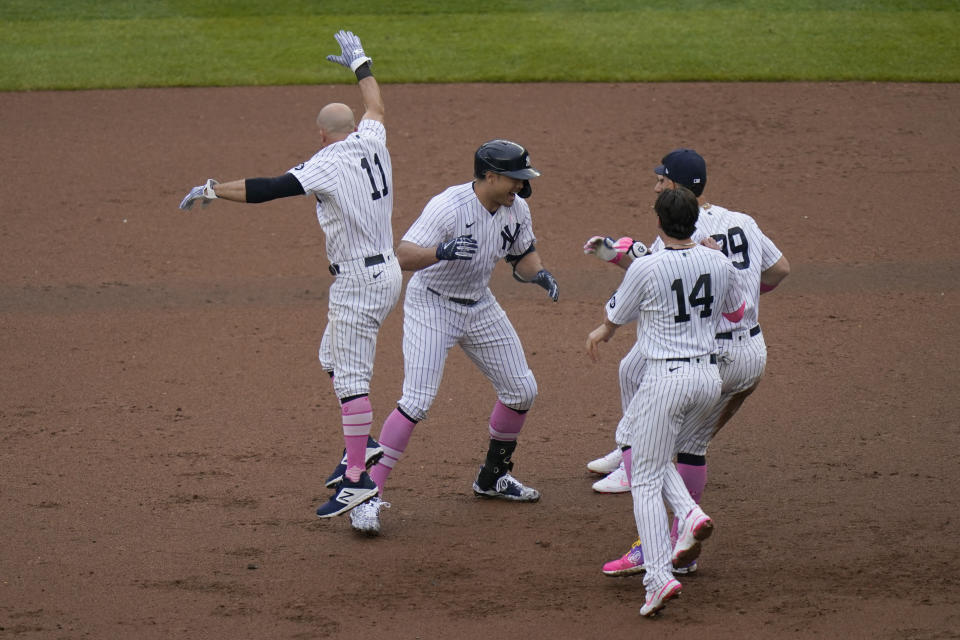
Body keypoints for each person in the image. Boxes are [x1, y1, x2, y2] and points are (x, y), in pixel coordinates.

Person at [178, 30, 402, 521]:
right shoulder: (373, 138)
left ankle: (358, 479)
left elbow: (270, 188)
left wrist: (215, 190)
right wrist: (361, 62)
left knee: (350, 379)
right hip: (387, 274)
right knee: (331, 357)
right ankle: (360, 444)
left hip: (358, 283)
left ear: (322, 134)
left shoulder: (325, 163)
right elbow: (377, 106)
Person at [584, 148, 790, 576]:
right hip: (751, 353)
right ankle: (678, 536)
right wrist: (742, 296)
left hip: (710, 355)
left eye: (662, 180)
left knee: (659, 448)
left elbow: (656, 276)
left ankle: (657, 534)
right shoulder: (743, 221)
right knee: (685, 438)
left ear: (677, 189)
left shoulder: (685, 229)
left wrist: (616, 255)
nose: (656, 185)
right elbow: (779, 270)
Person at [342, 139, 559, 535]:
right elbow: (404, 255)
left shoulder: (516, 209)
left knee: (521, 390)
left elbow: (523, 257)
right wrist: (442, 251)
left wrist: (539, 274)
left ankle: (493, 477)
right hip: (433, 305)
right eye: (514, 179)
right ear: (490, 176)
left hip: (480, 303)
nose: (521, 187)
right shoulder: (449, 206)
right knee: (417, 400)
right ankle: (364, 494)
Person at [586, 185, 748, 617]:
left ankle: (657, 577)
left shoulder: (647, 266)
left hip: (665, 381)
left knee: (644, 479)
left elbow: (616, 315)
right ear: (695, 222)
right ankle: (691, 515)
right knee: (640, 450)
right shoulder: (719, 261)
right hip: (708, 378)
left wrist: (602, 332)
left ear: (658, 223)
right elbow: (736, 313)